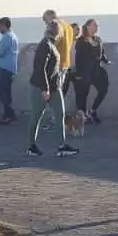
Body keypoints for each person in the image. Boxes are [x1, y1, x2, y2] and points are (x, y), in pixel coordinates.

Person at [27, 20, 79, 158]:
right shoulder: (45, 45)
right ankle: (31, 146)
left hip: (54, 87)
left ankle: (62, 146)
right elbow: (40, 68)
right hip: (41, 87)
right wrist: (45, 89)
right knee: (37, 116)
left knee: (59, 115)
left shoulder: (50, 44)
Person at [75, 20, 110, 123]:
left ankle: (93, 110)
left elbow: (101, 53)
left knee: (103, 90)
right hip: (85, 71)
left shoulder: (98, 39)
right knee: (83, 95)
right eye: (94, 25)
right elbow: (79, 57)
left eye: (97, 26)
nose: (96, 27)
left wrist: (106, 60)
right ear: (88, 26)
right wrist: (79, 73)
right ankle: (83, 117)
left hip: (97, 71)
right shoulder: (81, 40)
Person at [0, 17, 19, 124]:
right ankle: (8, 114)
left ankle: (10, 114)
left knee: (0, 91)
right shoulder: (13, 36)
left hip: (5, 69)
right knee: (6, 93)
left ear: (4, 25)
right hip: (10, 69)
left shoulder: (7, 37)